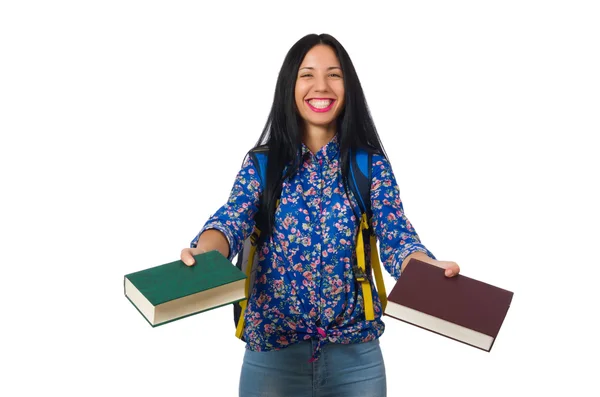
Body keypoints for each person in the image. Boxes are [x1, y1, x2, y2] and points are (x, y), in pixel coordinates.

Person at [180, 33, 460, 397]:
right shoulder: (262, 165)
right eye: (307, 75)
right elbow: (231, 220)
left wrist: (426, 269)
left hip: (356, 359)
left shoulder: (368, 165)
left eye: (335, 75)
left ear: (349, 87)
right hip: (272, 357)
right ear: (289, 86)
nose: (321, 87)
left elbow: (397, 236)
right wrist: (205, 254)